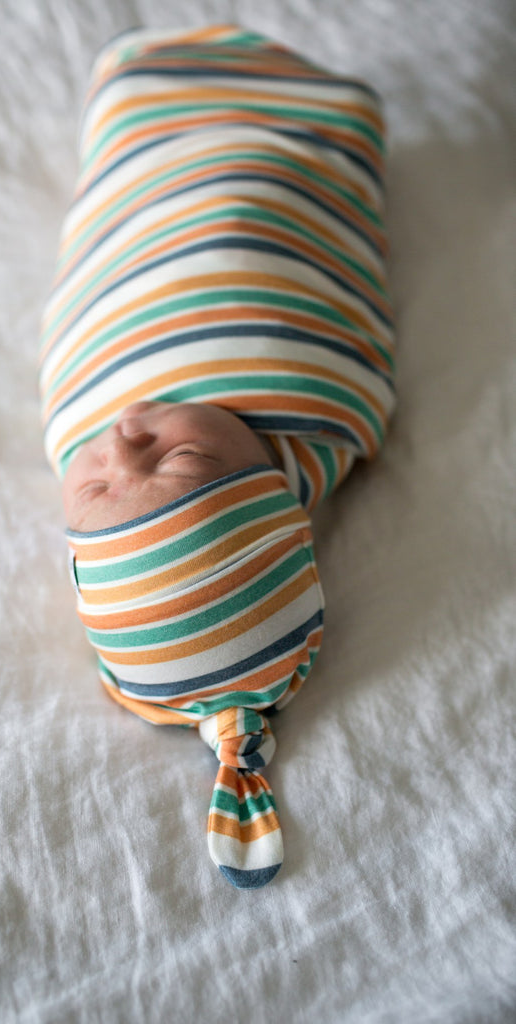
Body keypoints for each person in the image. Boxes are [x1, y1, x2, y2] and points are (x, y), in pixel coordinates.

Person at [39, 25, 395, 888]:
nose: (121, 434)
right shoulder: (328, 411)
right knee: (267, 176)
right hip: (270, 177)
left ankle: (142, 90)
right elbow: (328, 291)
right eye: (180, 461)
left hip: (140, 205)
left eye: (89, 483)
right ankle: (282, 113)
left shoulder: (86, 420)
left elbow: (93, 288)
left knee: (125, 114)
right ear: (273, 494)